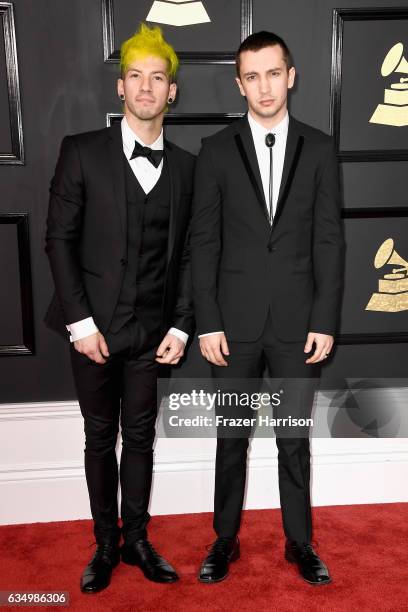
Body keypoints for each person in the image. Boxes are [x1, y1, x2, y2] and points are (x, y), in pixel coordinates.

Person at [45, 23, 195, 593]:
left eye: (158, 78)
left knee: (142, 437)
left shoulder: (187, 168)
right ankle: (105, 544)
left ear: (172, 91)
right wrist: (79, 323)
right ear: (121, 87)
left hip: (152, 333)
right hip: (94, 332)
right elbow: (59, 240)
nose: (147, 88)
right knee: (97, 436)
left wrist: (182, 325)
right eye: (136, 77)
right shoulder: (80, 152)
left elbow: (189, 258)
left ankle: (137, 539)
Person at [190, 31, 345, 585]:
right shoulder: (215, 151)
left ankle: (300, 543)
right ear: (239, 84)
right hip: (231, 327)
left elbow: (329, 240)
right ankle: (223, 540)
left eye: (273, 73)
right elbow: (203, 244)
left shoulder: (321, 149)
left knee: (293, 439)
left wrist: (325, 319)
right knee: (231, 438)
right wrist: (206, 321)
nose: (264, 87)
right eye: (252, 77)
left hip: (297, 327)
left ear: (292, 75)